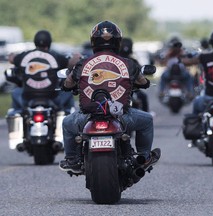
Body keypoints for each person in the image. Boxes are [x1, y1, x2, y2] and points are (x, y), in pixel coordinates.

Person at [59, 20, 161, 173]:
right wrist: (144, 82)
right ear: (117, 41)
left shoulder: (82, 63)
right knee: (147, 120)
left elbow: (68, 83)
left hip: (87, 117)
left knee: (67, 123)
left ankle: (72, 159)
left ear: (93, 41)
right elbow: (143, 81)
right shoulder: (129, 64)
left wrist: (69, 84)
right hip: (122, 116)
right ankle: (144, 157)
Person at [7, 30, 80, 115]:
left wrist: (13, 55)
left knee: (16, 92)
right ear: (49, 42)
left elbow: (11, 59)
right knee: (67, 92)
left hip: (28, 97)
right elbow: (72, 63)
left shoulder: (24, 56)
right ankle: (68, 115)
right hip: (52, 97)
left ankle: (16, 116)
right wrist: (77, 56)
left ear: (35, 42)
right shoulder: (56, 56)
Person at [119, 37, 150, 112]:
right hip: (126, 88)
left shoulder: (114, 60)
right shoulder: (132, 61)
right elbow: (141, 75)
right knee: (147, 118)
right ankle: (146, 113)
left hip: (117, 89)